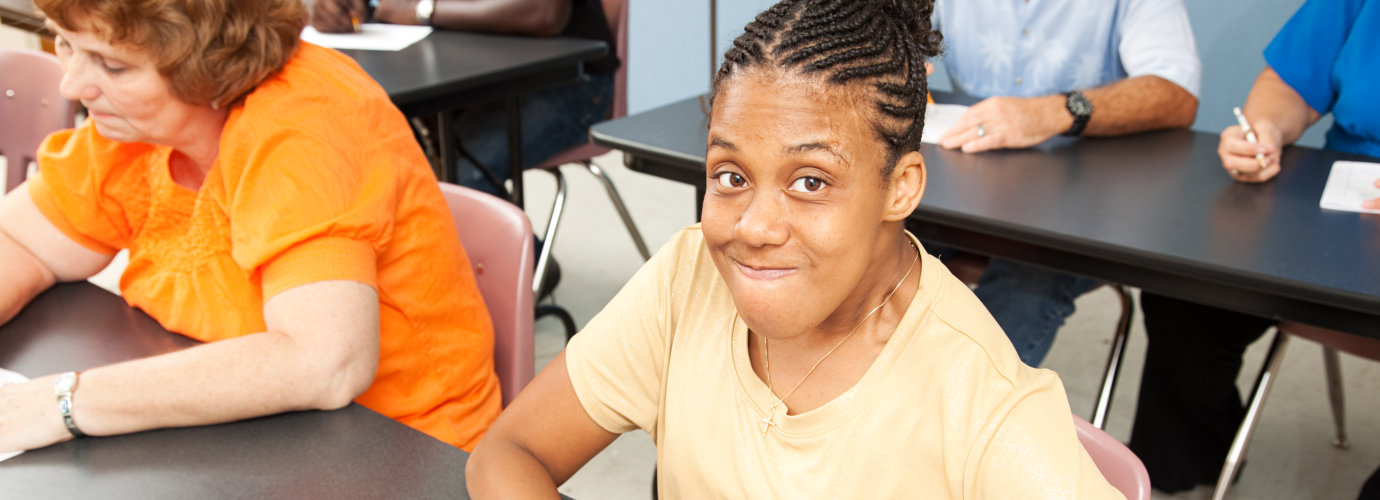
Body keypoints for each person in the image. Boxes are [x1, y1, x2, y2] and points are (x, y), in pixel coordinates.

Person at [465, 0, 1122, 498]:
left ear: (902, 187)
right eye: (730, 176)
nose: (753, 226)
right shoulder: (688, 277)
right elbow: (509, 451)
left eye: (811, 182)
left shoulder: (984, 402)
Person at [0, 0, 500, 454]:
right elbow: (22, 240)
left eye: (114, 65)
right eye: (65, 43)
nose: (71, 85)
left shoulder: (302, 129)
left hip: (396, 450)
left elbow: (322, 363)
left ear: (209, 66)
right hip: (245, 439)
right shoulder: (135, 122)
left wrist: (60, 403)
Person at [1127, 0, 1380, 494]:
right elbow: (1292, 86)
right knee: (1191, 298)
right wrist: (1265, 129)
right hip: (1338, 209)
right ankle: (1195, 463)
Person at [916, 0, 1203, 366]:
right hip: (962, 184)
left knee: (1031, 281)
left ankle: (957, 409)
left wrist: (1058, 111)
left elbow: (1175, 93)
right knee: (874, 239)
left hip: (1079, 206)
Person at [309, 0, 618, 200]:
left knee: (452, 184)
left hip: (567, 81)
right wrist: (341, 9)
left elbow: (544, 13)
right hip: (458, 74)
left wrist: (423, 11)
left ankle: (519, 271)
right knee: (380, 164)